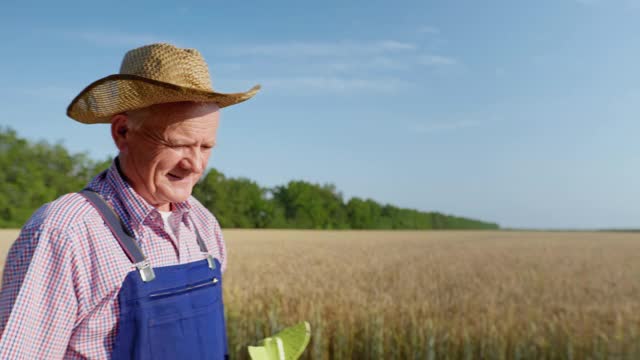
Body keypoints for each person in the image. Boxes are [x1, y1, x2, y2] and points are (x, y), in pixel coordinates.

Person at [0, 43, 260, 359]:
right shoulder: (65, 231)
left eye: (205, 147)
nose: (194, 164)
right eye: (178, 144)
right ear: (123, 132)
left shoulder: (203, 224)